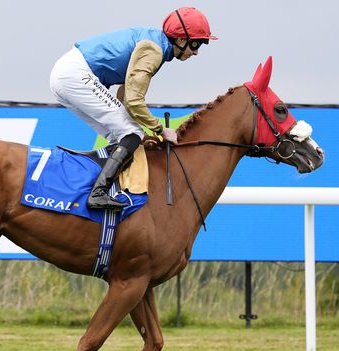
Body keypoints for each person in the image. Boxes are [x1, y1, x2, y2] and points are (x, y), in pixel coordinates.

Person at [50, 7, 217, 209]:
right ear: (181, 40)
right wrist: (160, 129)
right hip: (75, 75)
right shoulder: (154, 50)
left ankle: (104, 189)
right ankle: (98, 193)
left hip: (67, 75)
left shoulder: (156, 43)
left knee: (122, 136)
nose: (197, 51)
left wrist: (143, 132)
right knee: (131, 133)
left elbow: (124, 96)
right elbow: (133, 100)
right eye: (196, 43)